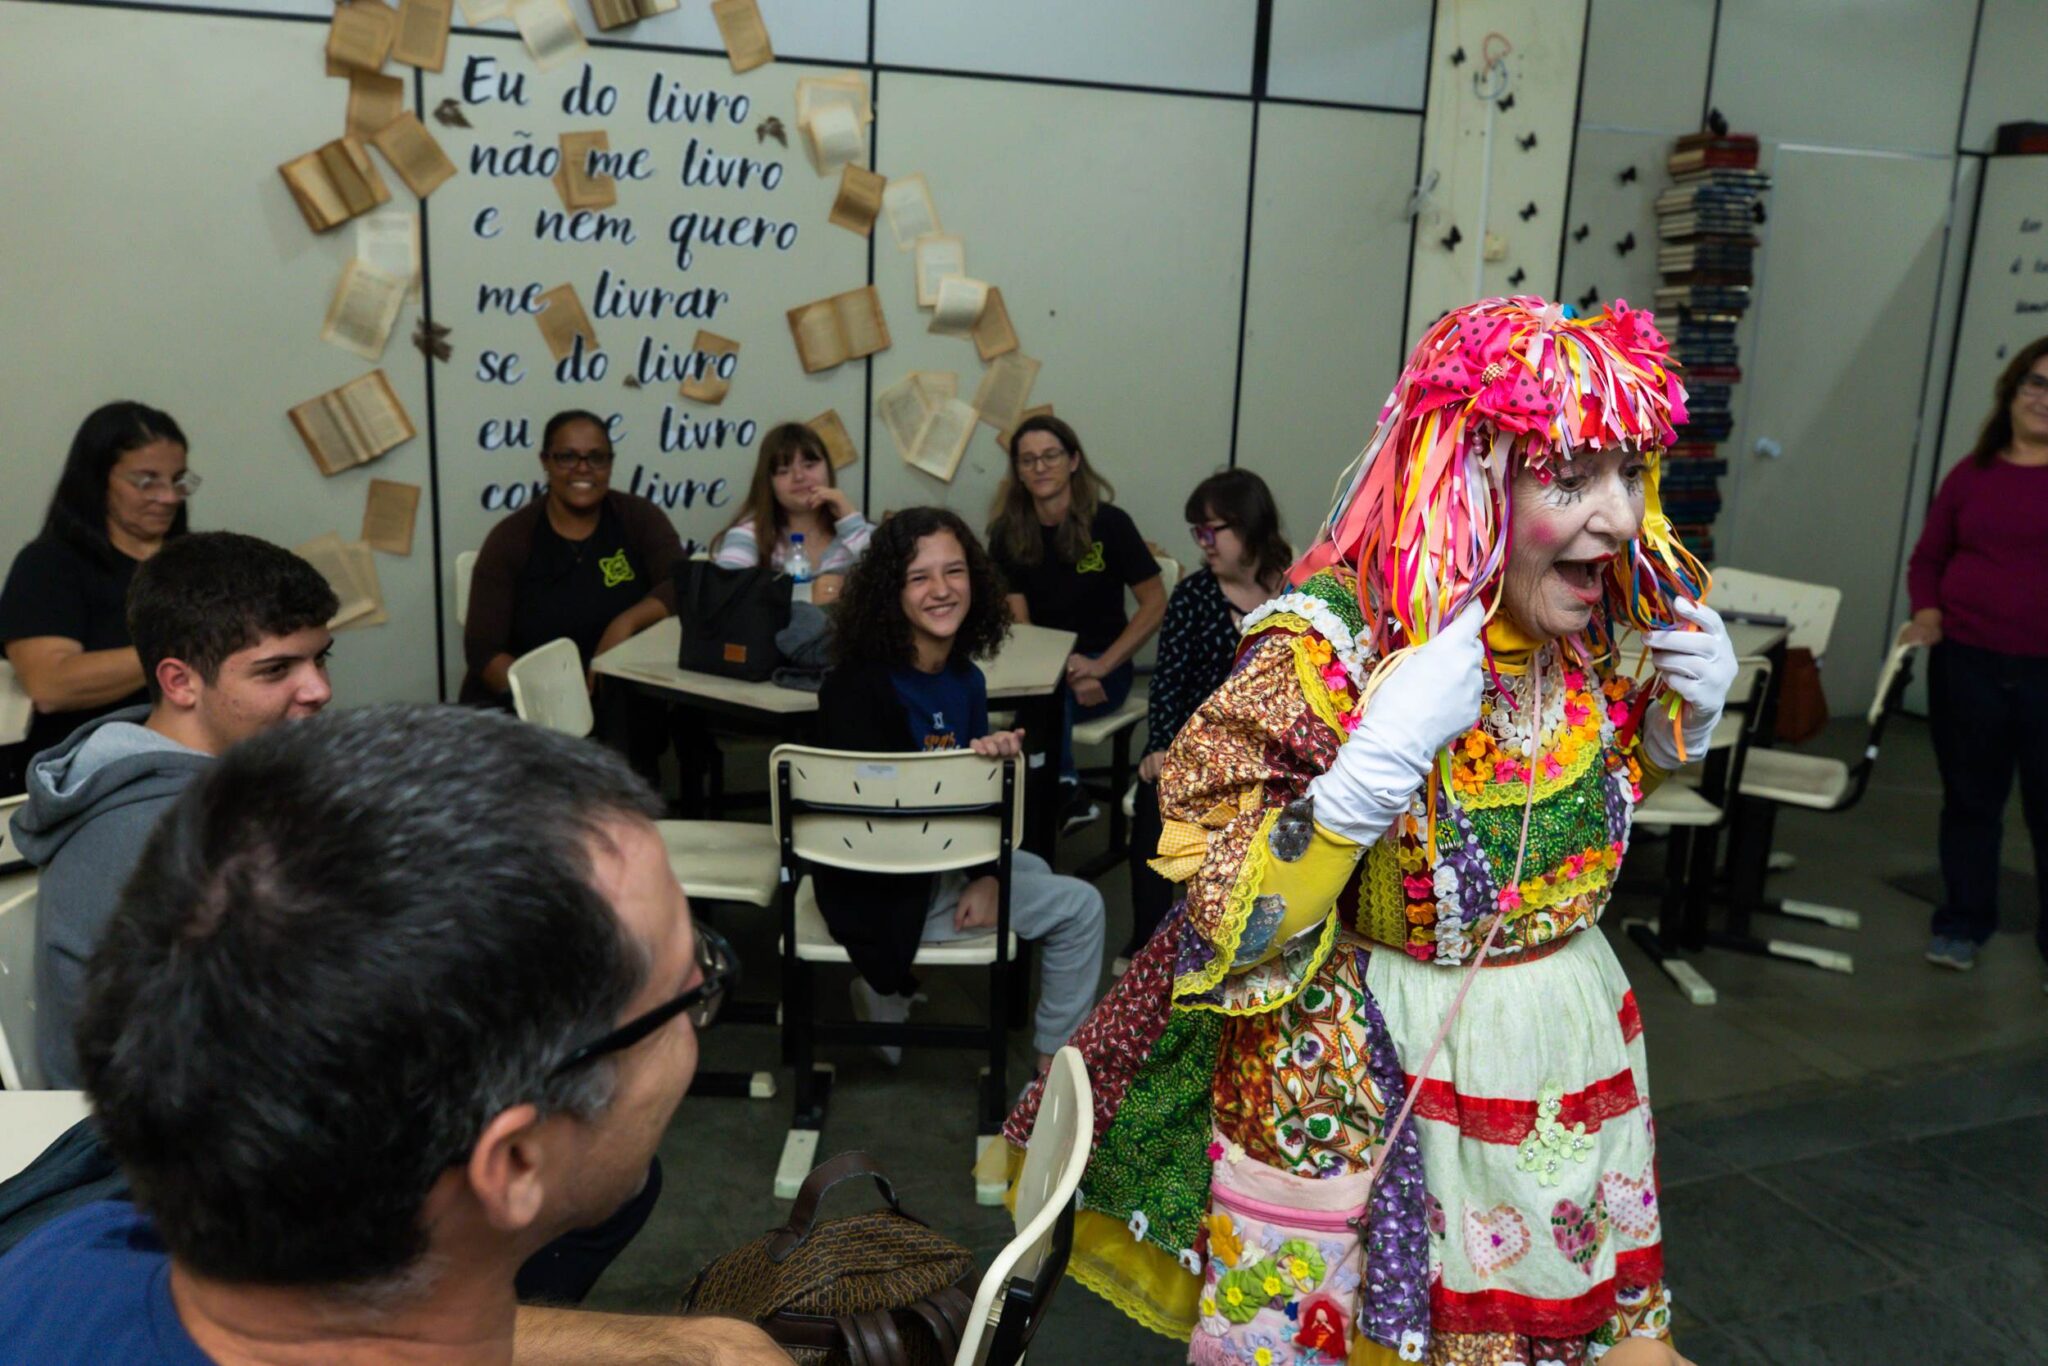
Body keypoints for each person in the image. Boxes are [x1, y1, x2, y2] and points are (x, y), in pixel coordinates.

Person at [1004, 297, 1736, 1364]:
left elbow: (1570, 829)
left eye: (1630, 473)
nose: (1622, 518)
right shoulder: (1333, 644)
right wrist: (1358, 787)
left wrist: (1675, 735)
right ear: (1472, 474)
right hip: (1373, 1067)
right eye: (1572, 477)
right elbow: (1223, 916)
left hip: (1565, 1044)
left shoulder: (1604, 623)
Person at [0, 704, 784, 1364]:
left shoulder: (63, 1260)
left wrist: (669, 1346)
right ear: (515, 1162)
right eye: (687, 993)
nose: (697, 1004)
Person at [9, 531, 336, 1089]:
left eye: (320, 659)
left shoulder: (222, 783)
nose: (319, 689)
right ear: (180, 682)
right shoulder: (164, 835)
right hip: (166, 1121)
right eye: (276, 670)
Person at [818, 507, 1106, 1072]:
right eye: (918, 577)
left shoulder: (965, 680)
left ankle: (891, 991)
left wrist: (989, 775)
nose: (942, 589)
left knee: (1035, 868)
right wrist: (984, 869)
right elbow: (882, 827)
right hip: (886, 886)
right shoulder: (856, 688)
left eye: (954, 571)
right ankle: (1052, 1074)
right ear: (889, 592)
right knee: (1083, 908)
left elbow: (967, 804)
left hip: (938, 862)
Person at [1906, 336, 2048, 983]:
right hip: (1967, 664)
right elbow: (1928, 559)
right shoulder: (1972, 474)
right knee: (1970, 801)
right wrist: (1928, 612)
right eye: (2036, 382)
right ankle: (1962, 923)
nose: (2044, 399)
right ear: (2013, 390)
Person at [1121, 470, 1292, 973]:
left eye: (1211, 530)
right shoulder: (1194, 597)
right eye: (1198, 531)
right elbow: (1167, 682)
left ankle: (1247, 947)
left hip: (1269, 754)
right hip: (1197, 751)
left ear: (1248, 526)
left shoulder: (1294, 591)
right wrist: (1159, 746)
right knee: (1155, 803)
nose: (1202, 543)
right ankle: (1148, 948)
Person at [461, 410, 686, 786]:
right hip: (526, 707)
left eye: (596, 457)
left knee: (631, 726)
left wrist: (624, 623)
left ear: (610, 464)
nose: (583, 469)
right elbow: (483, 651)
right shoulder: (512, 537)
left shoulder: (637, 518)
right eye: (567, 457)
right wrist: (550, 701)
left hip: (617, 701)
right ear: (545, 462)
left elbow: (682, 583)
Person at [0, 402, 194, 795]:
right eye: (147, 481)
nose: (168, 497)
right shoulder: (48, 564)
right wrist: (190, 645)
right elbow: (49, 686)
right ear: (97, 481)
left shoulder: (196, 560)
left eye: (178, 480)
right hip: (92, 780)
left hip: (193, 762)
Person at [986, 415, 1164, 830]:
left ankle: (1050, 794)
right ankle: (1062, 792)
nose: (1040, 467)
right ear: (1018, 471)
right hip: (1042, 666)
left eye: (1050, 456)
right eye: (1028, 460)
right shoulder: (1006, 533)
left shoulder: (1111, 523)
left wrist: (1098, 667)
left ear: (1073, 461)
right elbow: (1021, 624)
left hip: (1107, 664)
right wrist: (1064, 668)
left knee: (1041, 711)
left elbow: (1154, 603)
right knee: (1035, 699)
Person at [711, 421, 874, 602]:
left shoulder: (859, 530)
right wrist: (805, 595)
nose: (799, 477)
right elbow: (723, 598)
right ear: (769, 482)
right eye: (784, 471)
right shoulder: (749, 535)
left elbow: (891, 582)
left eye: (809, 465)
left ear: (828, 468)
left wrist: (850, 520)